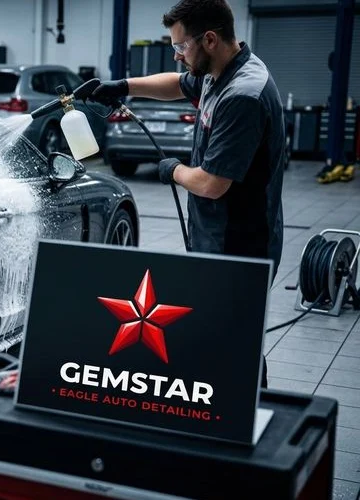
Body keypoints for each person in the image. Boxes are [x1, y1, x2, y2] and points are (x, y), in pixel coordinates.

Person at [89, 0, 286, 389]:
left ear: (209, 39)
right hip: (217, 233)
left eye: (181, 47)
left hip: (241, 243)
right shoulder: (219, 70)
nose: (178, 55)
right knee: (224, 337)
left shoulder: (242, 94)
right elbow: (178, 84)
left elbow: (213, 184)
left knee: (235, 342)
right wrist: (123, 87)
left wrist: (173, 169)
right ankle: (232, 411)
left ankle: (248, 419)